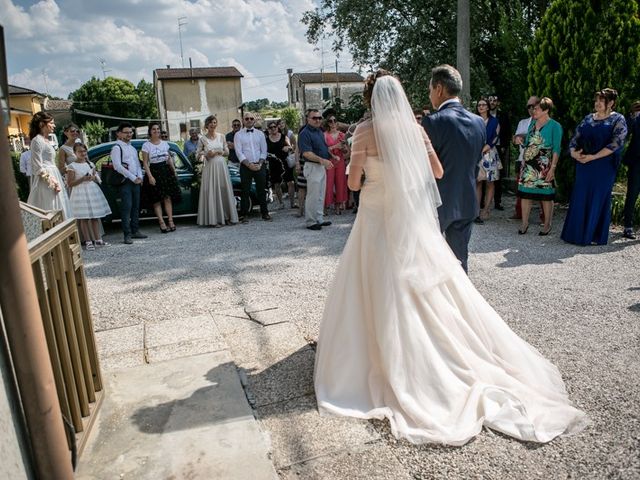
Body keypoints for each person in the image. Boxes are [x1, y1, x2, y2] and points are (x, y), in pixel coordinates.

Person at [314, 69, 588, 447]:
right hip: (408, 220)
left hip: (376, 218)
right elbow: (437, 171)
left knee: (374, 282)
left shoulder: (362, 132)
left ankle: (379, 356)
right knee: (424, 287)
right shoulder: (416, 129)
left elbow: (355, 183)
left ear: (369, 98)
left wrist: (360, 169)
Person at [422, 64, 486, 272]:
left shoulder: (433, 122)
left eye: (430, 89)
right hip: (467, 199)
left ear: (439, 89)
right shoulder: (478, 122)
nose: (430, 95)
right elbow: (475, 162)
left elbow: (426, 168)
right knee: (459, 263)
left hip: (437, 202)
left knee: (428, 262)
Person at [561, 88, 627, 245]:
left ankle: (593, 236)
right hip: (583, 163)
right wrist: (573, 153)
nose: (597, 103)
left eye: (601, 101)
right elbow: (575, 137)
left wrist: (594, 157)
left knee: (597, 197)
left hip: (604, 166)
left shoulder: (618, 119)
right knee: (580, 196)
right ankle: (575, 235)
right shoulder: (588, 118)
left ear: (611, 103)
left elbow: (616, 143)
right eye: (596, 100)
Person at [517, 97, 562, 236]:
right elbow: (528, 144)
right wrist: (521, 141)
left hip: (544, 164)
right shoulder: (532, 124)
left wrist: (552, 168)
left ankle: (547, 224)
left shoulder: (555, 126)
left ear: (546, 110)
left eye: (536, 109)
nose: (533, 111)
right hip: (529, 164)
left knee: (546, 196)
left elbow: (556, 148)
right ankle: (524, 223)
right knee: (525, 194)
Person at [26, 112, 73, 219]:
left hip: (54, 174)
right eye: (51, 123)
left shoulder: (46, 140)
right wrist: (52, 182)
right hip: (46, 181)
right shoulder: (36, 141)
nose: (54, 125)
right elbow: (38, 166)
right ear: (42, 124)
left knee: (61, 205)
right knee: (51, 206)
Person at [66, 143, 111, 249]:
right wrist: (83, 179)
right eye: (80, 151)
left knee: (95, 217)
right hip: (80, 191)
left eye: (84, 151)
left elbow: (95, 176)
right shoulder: (72, 166)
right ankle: (88, 241)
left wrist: (93, 177)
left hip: (91, 190)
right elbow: (70, 183)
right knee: (84, 218)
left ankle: (98, 240)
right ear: (75, 153)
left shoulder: (90, 164)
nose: (83, 153)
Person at [197, 115, 238, 227]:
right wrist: (206, 154)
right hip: (210, 167)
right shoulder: (202, 139)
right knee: (213, 191)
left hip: (221, 166)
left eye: (215, 122)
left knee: (224, 190)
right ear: (206, 125)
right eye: (210, 122)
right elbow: (197, 155)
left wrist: (220, 152)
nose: (213, 124)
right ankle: (214, 220)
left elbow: (227, 152)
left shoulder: (222, 136)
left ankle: (227, 217)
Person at [111, 122, 148, 244]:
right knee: (126, 208)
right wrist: (133, 177)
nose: (129, 134)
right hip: (125, 181)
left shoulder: (132, 148)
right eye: (126, 132)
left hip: (136, 181)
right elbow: (117, 166)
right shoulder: (117, 147)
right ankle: (127, 234)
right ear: (119, 134)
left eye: (131, 132)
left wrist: (140, 176)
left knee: (136, 207)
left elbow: (137, 163)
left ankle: (135, 230)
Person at [141, 122, 181, 233]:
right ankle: (161, 222)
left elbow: (169, 159)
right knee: (156, 199)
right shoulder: (146, 145)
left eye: (158, 129)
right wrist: (150, 176)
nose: (156, 131)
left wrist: (174, 171)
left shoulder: (164, 144)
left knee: (167, 198)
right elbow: (145, 163)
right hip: (154, 171)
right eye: (154, 129)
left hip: (165, 171)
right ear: (150, 131)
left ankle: (171, 220)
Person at [299, 109, 334, 230]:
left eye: (319, 118)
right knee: (312, 195)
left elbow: (322, 148)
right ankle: (310, 221)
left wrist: (331, 156)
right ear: (308, 119)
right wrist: (322, 160)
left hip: (320, 166)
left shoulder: (319, 131)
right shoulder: (305, 133)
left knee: (320, 194)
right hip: (312, 166)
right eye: (314, 118)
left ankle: (319, 218)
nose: (318, 120)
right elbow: (306, 153)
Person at [234, 112, 271, 222]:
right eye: (247, 118)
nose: (249, 120)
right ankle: (244, 215)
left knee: (261, 190)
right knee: (245, 191)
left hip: (259, 165)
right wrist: (249, 165)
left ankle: (265, 213)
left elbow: (264, 151)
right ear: (243, 120)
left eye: (251, 118)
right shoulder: (238, 135)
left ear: (254, 120)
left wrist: (259, 164)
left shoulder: (260, 134)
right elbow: (239, 153)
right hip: (246, 166)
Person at [511, 97, 539, 220]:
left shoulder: (545, 123)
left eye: (533, 106)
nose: (531, 109)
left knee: (540, 189)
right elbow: (516, 139)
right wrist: (517, 138)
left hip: (539, 160)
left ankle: (544, 217)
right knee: (521, 188)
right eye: (529, 106)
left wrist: (523, 136)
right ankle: (519, 213)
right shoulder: (523, 123)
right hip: (523, 158)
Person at [475, 98, 501, 223]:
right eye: (479, 105)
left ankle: (486, 209)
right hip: (476, 153)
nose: (481, 107)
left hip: (489, 154)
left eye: (483, 105)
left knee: (490, 182)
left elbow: (496, 137)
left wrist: (487, 146)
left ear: (488, 107)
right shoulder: (474, 120)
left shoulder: (494, 121)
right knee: (478, 182)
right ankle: (476, 210)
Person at [622, 101, 640, 239]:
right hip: (637, 162)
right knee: (632, 194)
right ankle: (628, 226)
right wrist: (632, 115)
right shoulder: (637, 115)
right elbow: (625, 132)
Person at [266, 121, 293, 209]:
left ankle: (292, 203)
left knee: (290, 182)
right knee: (276, 184)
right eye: (271, 127)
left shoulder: (284, 137)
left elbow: (291, 147)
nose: (273, 128)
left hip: (284, 162)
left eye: (275, 126)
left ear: (278, 127)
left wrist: (287, 147)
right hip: (273, 164)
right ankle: (281, 203)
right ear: (268, 129)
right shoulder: (266, 140)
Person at [489, 95, 510, 211]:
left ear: (498, 102)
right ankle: (482, 203)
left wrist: (504, 146)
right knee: (483, 176)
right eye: (490, 100)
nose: (492, 102)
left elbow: (507, 131)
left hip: (498, 147)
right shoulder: (482, 114)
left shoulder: (503, 115)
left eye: (494, 100)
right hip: (485, 148)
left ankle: (497, 202)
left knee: (498, 176)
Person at [324, 115, 348, 215]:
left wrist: (342, 147)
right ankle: (325, 207)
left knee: (340, 183)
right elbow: (324, 149)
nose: (333, 123)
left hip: (340, 161)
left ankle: (338, 207)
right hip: (329, 161)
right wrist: (335, 146)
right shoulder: (324, 135)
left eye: (335, 120)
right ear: (328, 123)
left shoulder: (342, 135)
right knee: (328, 184)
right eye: (330, 121)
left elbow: (346, 151)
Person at [278, 119, 298, 208]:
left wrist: (291, 150)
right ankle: (282, 201)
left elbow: (295, 145)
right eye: (279, 124)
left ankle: (292, 202)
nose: (281, 125)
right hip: (278, 160)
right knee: (279, 181)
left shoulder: (289, 133)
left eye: (282, 123)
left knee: (290, 180)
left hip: (288, 159)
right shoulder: (275, 133)